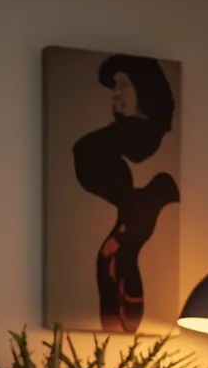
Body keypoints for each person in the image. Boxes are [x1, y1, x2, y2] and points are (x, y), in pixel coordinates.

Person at [73, 54, 179, 333]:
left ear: (144, 88)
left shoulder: (156, 150)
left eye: (122, 86)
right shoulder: (103, 146)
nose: (115, 96)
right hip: (130, 226)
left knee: (112, 259)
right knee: (111, 260)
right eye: (113, 89)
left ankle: (122, 325)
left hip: (134, 226)